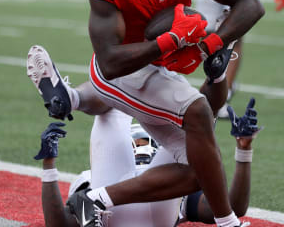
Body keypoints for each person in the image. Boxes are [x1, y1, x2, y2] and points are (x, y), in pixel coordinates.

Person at [28, 0, 264, 226]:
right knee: (198, 111)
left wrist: (212, 45)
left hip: (158, 67)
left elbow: (250, 5)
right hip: (119, 73)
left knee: (202, 165)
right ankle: (228, 224)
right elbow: (109, 63)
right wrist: (171, 40)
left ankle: (94, 196)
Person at [35, 97, 260, 227]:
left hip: (125, 205)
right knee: (195, 148)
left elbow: (231, 208)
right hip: (137, 208)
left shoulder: (171, 181)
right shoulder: (173, 181)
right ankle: (211, 92)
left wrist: (49, 167)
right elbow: (62, 223)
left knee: (196, 156)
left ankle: (76, 95)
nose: (141, 150)